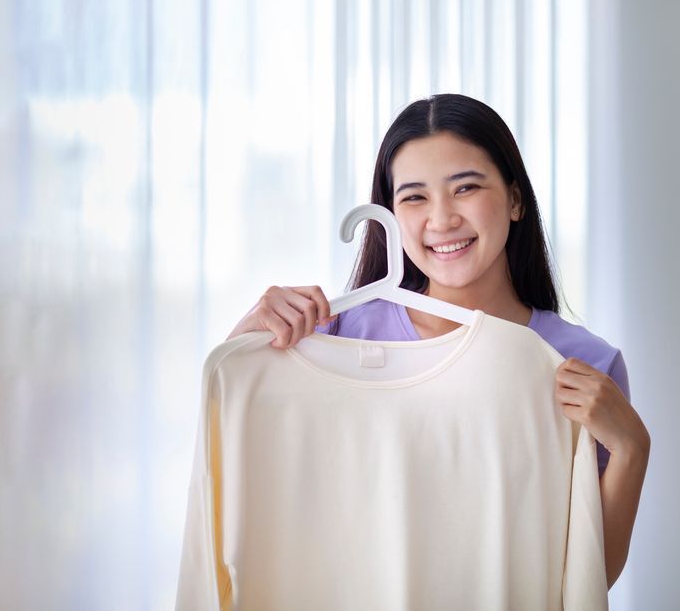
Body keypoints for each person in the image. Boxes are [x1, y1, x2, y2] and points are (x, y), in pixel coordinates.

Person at [226, 93, 649, 589]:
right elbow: (236, 458)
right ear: (389, 215)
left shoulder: (582, 365)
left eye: (465, 188)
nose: (442, 218)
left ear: (515, 199)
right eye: (414, 197)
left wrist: (631, 448)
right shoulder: (335, 337)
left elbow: (589, 575)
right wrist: (248, 337)